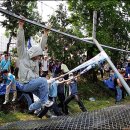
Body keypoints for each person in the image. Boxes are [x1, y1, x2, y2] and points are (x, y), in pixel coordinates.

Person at [16, 19, 53, 110]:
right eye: (38, 56)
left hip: (33, 83)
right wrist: (21, 27)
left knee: (45, 95)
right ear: (34, 54)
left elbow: (41, 46)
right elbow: (20, 43)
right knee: (43, 81)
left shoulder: (35, 59)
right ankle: (44, 102)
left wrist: (45, 33)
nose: (39, 59)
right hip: (25, 84)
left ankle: (32, 107)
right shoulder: (23, 55)